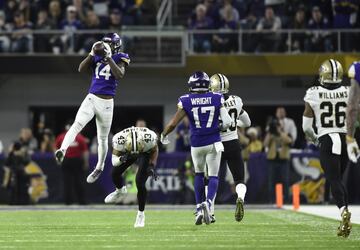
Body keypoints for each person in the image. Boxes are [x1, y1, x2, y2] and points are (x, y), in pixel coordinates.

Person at [54, 32, 130, 185]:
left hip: (107, 103)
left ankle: (99, 167)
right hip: (92, 98)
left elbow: (119, 75)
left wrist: (108, 58)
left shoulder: (121, 56)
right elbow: (81, 69)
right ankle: (62, 150)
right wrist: (90, 54)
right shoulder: (96, 55)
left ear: (115, 45)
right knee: (77, 124)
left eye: (109, 43)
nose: (106, 46)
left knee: (102, 138)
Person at [160, 71, 232, 225]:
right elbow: (226, 122)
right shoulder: (217, 97)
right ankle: (209, 204)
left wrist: (163, 134)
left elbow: (173, 123)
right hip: (214, 142)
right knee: (213, 176)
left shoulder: (186, 100)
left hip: (197, 144)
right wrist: (216, 126)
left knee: (199, 174)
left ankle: (199, 207)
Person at [303, 59, 351, 238]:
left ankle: (344, 211)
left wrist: (316, 140)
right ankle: (344, 217)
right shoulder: (349, 91)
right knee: (339, 180)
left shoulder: (313, 93)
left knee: (334, 180)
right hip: (346, 138)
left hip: (328, 139)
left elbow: (306, 127)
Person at [209, 73, 251, 222]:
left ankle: (211, 211)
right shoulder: (236, 100)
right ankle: (240, 197)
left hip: (217, 144)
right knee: (239, 179)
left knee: (212, 179)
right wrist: (234, 122)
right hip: (233, 143)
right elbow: (247, 123)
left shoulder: (211, 102)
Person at [104, 126, 159, 228]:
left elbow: (155, 150)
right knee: (114, 173)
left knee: (139, 182)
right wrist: (121, 159)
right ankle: (120, 190)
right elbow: (114, 161)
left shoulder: (149, 138)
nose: (136, 154)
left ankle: (141, 214)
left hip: (144, 152)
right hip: (127, 154)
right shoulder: (119, 140)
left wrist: (152, 165)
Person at [55, 123, 89, 205]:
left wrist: (58, 160)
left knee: (67, 182)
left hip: (66, 160)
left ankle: (68, 201)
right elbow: (85, 152)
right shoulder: (79, 137)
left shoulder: (61, 137)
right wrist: (86, 162)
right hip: (76, 160)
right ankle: (81, 201)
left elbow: (56, 150)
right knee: (79, 181)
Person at [264, 116, 292, 204]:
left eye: (278, 125)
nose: (277, 127)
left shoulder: (286, 134)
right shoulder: (271, 135)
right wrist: (270, 133)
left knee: (285, 180)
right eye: (276, 125)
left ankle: (287, 200)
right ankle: (271, 200)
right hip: (272, 160)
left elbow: (289, 141)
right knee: (271, 181)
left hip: (283, 160)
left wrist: (280, 132)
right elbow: (265, 144)